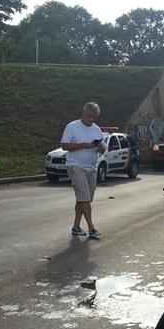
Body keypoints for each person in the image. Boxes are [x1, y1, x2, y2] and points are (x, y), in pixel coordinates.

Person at [60, 102, 107, 240]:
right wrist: (84, 145)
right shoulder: (72, 126)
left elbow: (103, 147)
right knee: (84, 198)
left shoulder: (96, 129)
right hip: (75, 166)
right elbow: (64, 146)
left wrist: (100, 147)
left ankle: (76, 227)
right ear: (83, 113)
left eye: (94, 117)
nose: (91, 119)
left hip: (91, 168)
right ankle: (91, 228)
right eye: (89, 116)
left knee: (84, 199)